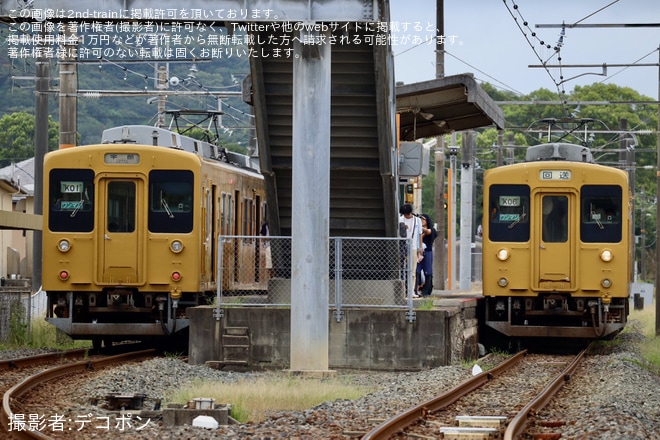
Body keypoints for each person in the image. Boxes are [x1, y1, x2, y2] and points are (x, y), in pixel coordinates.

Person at [399, 203, 422, 298]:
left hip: (413, 247)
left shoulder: (417, 221)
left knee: (412, 270)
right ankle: (402, 291)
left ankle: (411, 290)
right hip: (401, 246)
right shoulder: (400, 219)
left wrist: (420, 247)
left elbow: (420, 234)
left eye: (407, 214)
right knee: (401, 269)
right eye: (404, 214)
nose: (406, 216)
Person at [415, 213, 437, 297]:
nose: (421, 220)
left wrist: (420, 228)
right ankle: (416, 289)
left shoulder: (432, 230)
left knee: (428, 272)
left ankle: (426, 291)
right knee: (416, 271)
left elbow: (428, 231)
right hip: (418, 252)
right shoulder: (417, 229)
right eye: (420, 219)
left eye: (423, 219)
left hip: (427, 252)